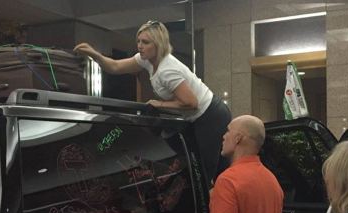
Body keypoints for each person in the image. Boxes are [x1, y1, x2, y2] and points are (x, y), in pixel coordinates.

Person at [74, 21, 231, 188]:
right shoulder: (147, 60)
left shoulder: (167, 70)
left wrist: (160, 104)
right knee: (201, 169)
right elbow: (115, 67)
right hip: (199, 117)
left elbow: (192, 103)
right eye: (138, 41)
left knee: (206, 177)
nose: (140, 46)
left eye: (145, 42)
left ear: (158, 44)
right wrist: (94, 54)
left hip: (210, 116)